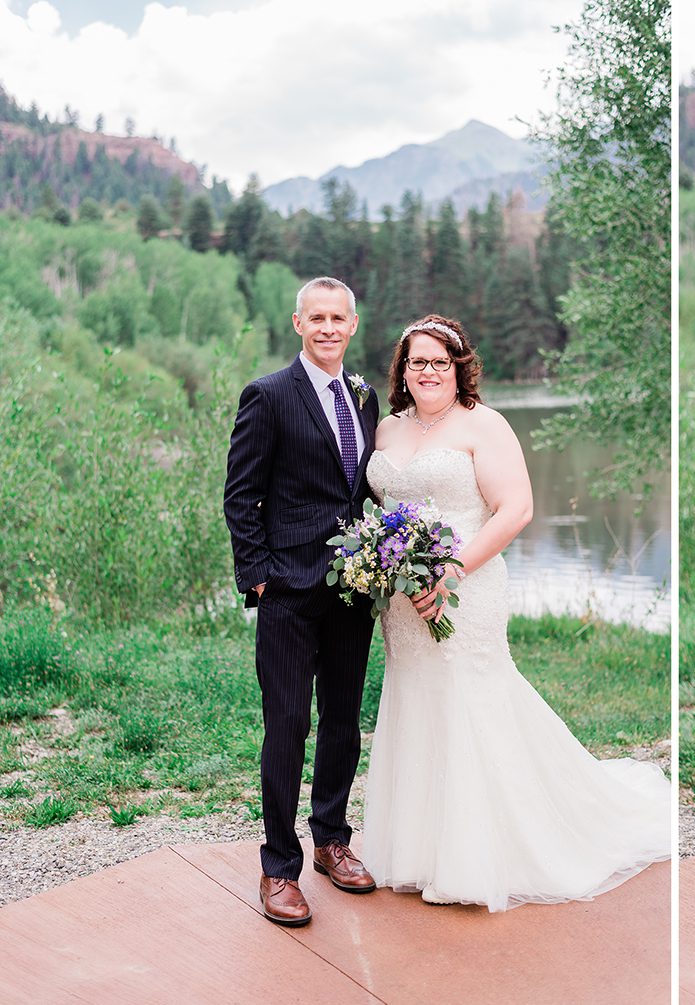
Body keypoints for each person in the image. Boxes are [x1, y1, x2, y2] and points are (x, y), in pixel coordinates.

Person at [360, 314, 670, 910]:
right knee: (417, 697)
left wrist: (451, 571)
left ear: (458, 368)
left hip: (466, 588)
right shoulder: (386, 430)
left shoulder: (485, 424)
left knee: (472, 700)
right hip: (402, 599)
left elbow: (516, 508)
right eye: (416, 361)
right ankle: (420, 848)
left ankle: (479, 855)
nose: (427, 371)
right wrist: (385, 565)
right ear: (401, 370)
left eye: (439, 362)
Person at [223, 277, 380, 927]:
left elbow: (361, 490)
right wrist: (258, 576)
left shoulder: (364, 396)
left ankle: (332, 841)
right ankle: (277, 867)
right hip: (288, 590)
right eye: (315, 317)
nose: (327, 327)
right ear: (297, 322)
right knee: (288, 726)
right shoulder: (268, 395)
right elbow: (241, 495)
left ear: (352, 324)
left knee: (343, 721)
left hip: (353, 589)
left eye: (337, 318)